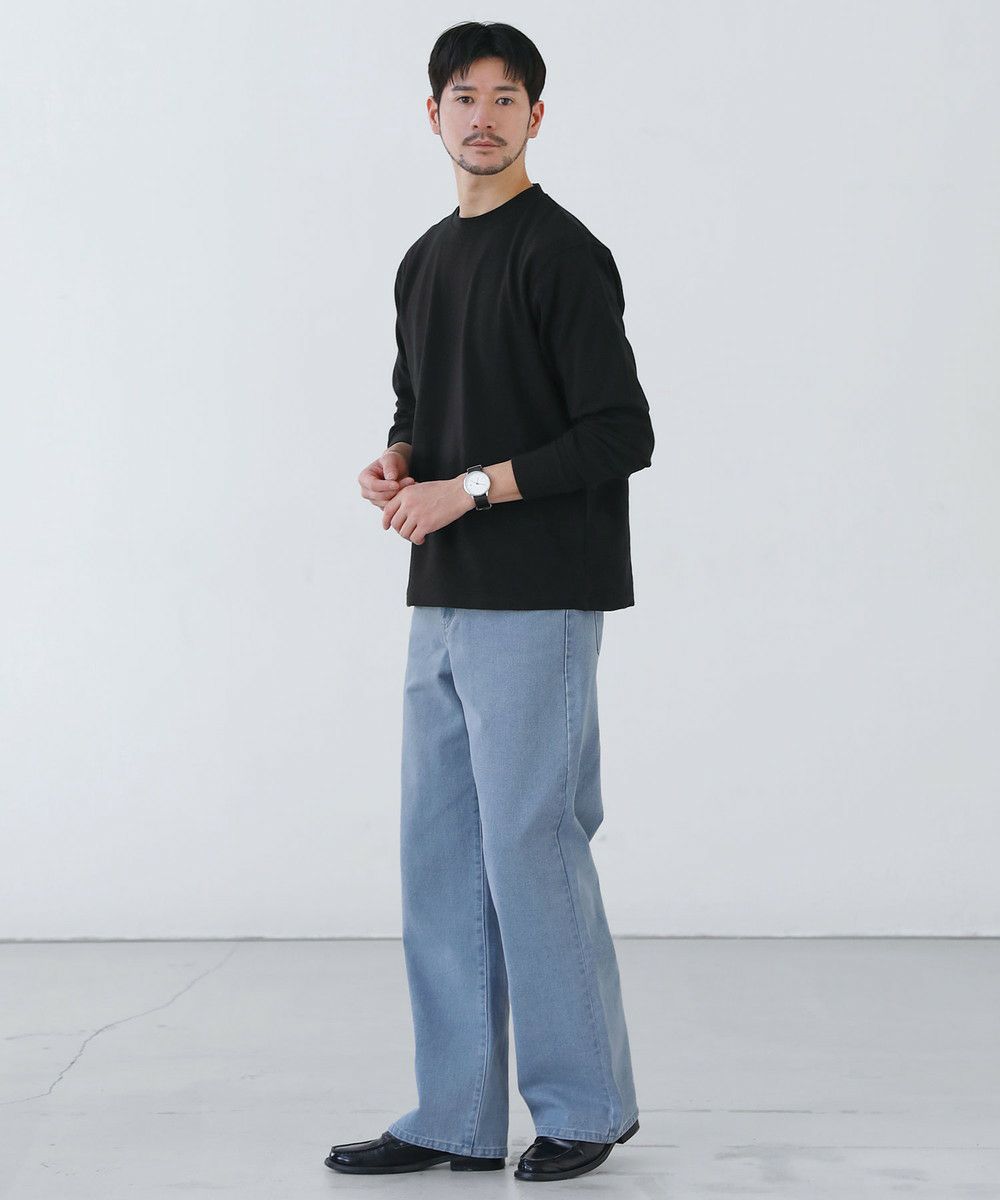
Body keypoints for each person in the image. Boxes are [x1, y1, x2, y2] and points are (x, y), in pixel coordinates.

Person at [327, 20, 654, 1183]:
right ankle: (452, 1116)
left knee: (529, 845)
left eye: (505, 98)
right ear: (433, 115)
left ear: (535, 117)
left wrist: (466, 489)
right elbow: (420, 401)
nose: (483, 116)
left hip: (540, 596)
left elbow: (620, 434)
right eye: (463, 97)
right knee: (441, 856)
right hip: (444, 595)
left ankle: (586, 1106)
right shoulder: (424, 260)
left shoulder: (562, 254)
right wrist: (400, 459)